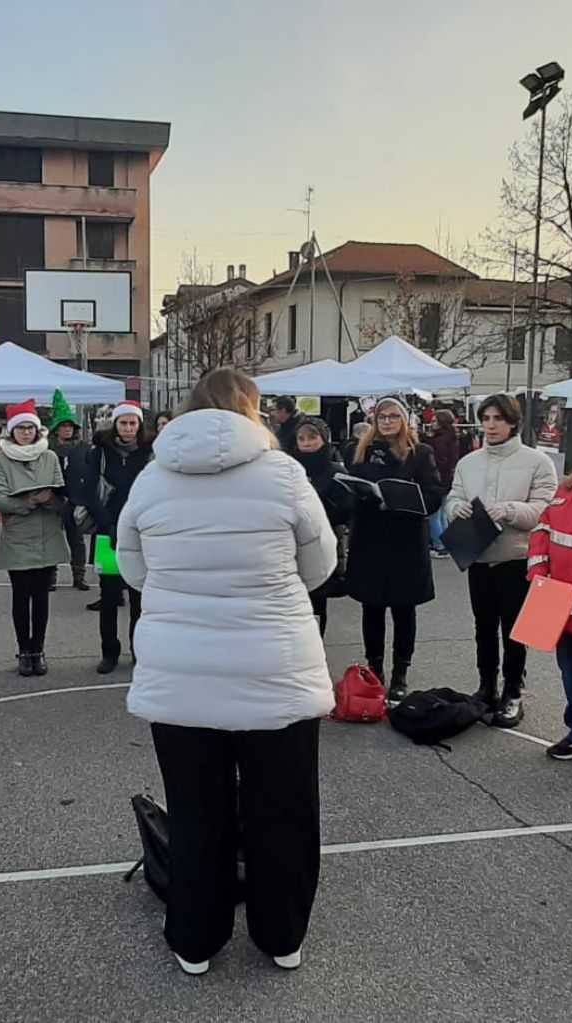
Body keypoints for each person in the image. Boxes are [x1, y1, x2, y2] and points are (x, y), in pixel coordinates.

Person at [117, 368, 337, 975]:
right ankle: (281, 934)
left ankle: (195, 938)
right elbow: (319, 564)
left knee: (195, 811)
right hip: (274, 666)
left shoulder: (152, 478)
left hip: (181, 670)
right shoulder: (284, 473)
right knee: (284, 811)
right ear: (252, 409)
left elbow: (132, 567)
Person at [446, 394, 557, 726]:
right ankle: (486, 686)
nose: (490, 425)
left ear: (513, 423)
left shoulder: (538, 461)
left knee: (516, 629)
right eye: (486, 419)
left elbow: (546, 509)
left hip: (517, 557)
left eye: (497, 419)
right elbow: (454, 497)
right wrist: (457, 509)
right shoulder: (469, 462)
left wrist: (510, 509)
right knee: (483, 626)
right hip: (478, 554)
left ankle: (513, 690)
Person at [345, 397, 443, 705]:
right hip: (371, 538)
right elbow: (350, 491)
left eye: (392, 417)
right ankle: (375, 668)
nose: (387, 422)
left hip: (405, 539)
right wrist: (361, 499)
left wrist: (404, 501)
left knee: (404, 608)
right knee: (371, 607)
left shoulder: (420, 453)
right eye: (381, 417)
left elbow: (434, 495)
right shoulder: (359, 452)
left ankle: (401, 673)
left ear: (404, 420)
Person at [0, 400, 68, 677]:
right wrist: (29, 500)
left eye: (30, 428)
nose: (26, 432)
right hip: (18, 536)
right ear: (12, 431)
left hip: (47, 533)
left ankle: (39, 649)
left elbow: (62, 495)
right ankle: (24, 650)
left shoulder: (50, 457)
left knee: (42, 597)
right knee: (21, 597)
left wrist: (53, 499)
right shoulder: (0, 459)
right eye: (21, 428)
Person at [84, 400, 152, 675]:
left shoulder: (149, 454)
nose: (127, 428)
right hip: (107, 534)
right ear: (115, 425)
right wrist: (109, 525)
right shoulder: (101, 452)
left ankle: (139, 652)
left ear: (139, 425)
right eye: (123, 423)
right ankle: (108, 652)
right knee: (109, 596)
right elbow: (90, 492)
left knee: (139, 598)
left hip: (139, 534)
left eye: (132, 423)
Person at [527, 454, 572, 758]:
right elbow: (542, 530)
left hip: (571, 598)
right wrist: (538, 572)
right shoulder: (568, 488)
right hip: (559, 603)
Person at [292, 417, 353, 636]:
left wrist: (320, 510)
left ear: (324, 440)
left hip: (323, 541)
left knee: (318, 599)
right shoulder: (290, 468)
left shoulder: (335, 470)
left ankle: (317, 642)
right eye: (301, 438)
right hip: (291, 544)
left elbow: (346, 510)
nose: (306, 443)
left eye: (312, 437)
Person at [47, 388, 90, 592]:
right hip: (54, 499)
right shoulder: (48, 449)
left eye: (70, 426)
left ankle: (79, 575)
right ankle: (51, 577)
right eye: (63, 426)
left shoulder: (83, 448)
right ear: (56, 429)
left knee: (77, 541)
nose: (67, 430)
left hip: (76, 499)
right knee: (53, 540)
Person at [427, 410, 460, 558]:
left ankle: (439, 545)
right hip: (448, 479)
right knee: (442, 514)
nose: (431, 424)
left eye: (434, 421)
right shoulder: (453, 437)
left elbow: (440, 461)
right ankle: (447, 543)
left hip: (440, 479)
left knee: (435, 514)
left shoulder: (440, 440)